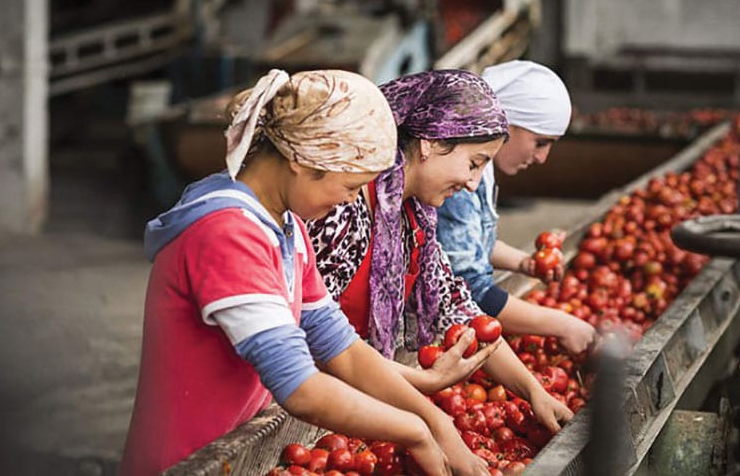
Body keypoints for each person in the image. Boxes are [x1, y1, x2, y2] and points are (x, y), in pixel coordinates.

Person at [120, 69, 489, 476]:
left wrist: (437, 422)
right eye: (351, 187)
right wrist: (416, 432)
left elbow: (340, 348)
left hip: (236, 455)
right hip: (185, 463)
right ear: (302, 161)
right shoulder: (227, 234)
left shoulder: (286, 228)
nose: (351, 201)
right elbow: (299, 388)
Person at [307, 69, 574, 433]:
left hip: (356, 397)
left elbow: (458, 308)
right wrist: (427, 398)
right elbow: (317, 341)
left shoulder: (415, 218)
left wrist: (534, 391)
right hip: (305, 400)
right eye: (474, 163)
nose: (473, 182)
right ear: (431, 142)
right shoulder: (342, 207)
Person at [436, 60, 596, 355]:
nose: (542, 158)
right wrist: (562, 324)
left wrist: (523, 263)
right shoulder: (458, 176)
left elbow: (469, 243)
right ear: (506, 122)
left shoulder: (479, 167)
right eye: (540, 142)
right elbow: (468, 288)